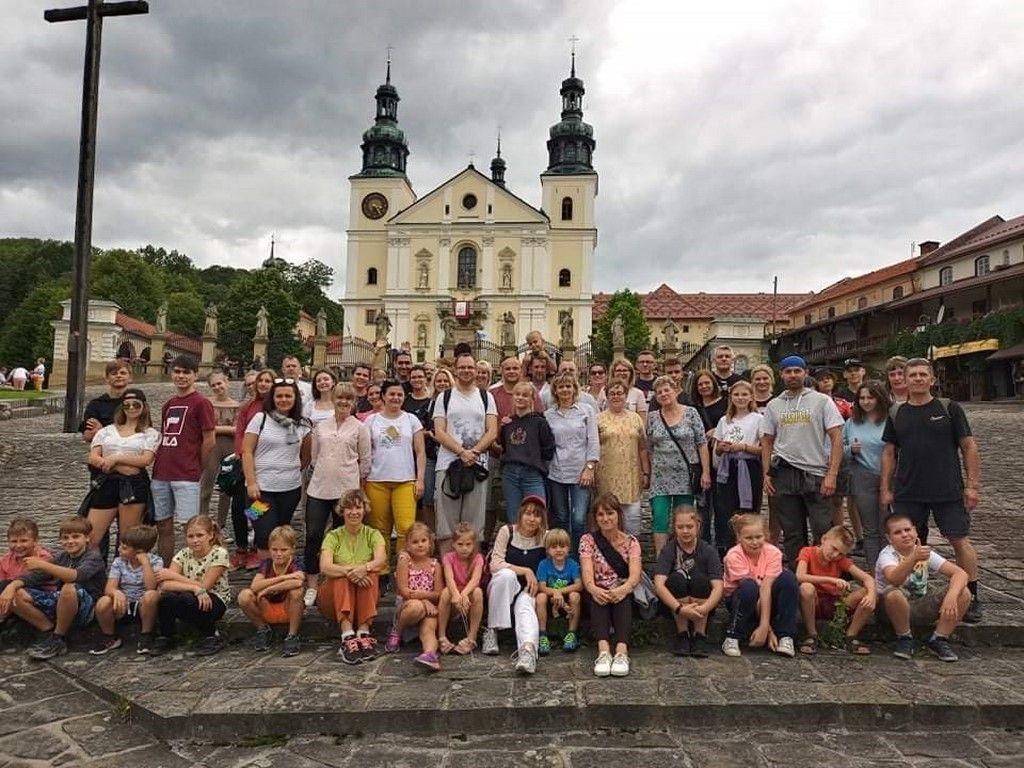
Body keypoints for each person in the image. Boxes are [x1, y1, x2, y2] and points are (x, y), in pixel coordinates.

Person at [880, 358, 983, 623]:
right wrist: (885, 488)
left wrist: (972, 485)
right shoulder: (896, 413)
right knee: (911, 544)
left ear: (932, 379)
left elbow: (968, 446)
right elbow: (889, 452)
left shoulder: (949, 408)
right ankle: (916, 592)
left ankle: (971, 595)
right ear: (904, 379)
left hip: (947, 489)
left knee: (959, 540)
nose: (917, 378)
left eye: (922, 374)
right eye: (912, 374)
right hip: (908, 490)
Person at [761, 355, 844, 568]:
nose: (793, 375)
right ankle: (798, 575)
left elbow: (837, 437)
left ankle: (824, 574)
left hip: (815, 473)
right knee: (792, 531)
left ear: (805, 373)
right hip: (784, 473)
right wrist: (766, 474)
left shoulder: (822, 401)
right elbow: (767, 440)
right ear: (781, 375)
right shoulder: (774, 405)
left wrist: (831, 474)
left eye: (797, 371)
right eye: (788, 372)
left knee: (822, 529)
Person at [306, 383, 371, 606]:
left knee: (340, 536)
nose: (343, 403)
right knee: (314, 534)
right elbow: (315, 457)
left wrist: (355, 486)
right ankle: (312, 584)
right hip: (319, 488)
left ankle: (333, 581)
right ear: (333, 399)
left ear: (353, 402)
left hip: (346, 490)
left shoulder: (360, 428)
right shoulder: (321, 426)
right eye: (340, 398)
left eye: (348, 399)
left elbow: (365, 460)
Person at [876, 512, 970, 662]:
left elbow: (961, 574)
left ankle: (939, 638)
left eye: (907, 530)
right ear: (889, 538)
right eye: (898, 532)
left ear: (915, 531)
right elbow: (894, 579)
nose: (905, 535)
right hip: (891, 609)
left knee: (963, 592)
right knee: (893, 593)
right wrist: (913, 558)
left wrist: (951, 597)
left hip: (920, 604)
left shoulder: (925, 552)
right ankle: (904, 638)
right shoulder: (887, 555)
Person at [151, 354, 217, 566]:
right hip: (162, 472)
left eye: (186, 372)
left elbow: (209, 439)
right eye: (177, 371)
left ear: (195, 375)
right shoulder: (169, 404)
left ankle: (190, 570)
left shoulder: (201, 403)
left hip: (186, 473)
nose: (181, 376)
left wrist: (199, 465)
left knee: (191, 528)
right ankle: (166, 567)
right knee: (163, 525)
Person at [11, 517, 105, 660]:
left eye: (75, 537)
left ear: (87, 538)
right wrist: (11, 587)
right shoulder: (62, 556)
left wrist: (43, 564)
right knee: (16, 593)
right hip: (62, 601)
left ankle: (58, 637)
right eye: (65, 538)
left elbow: (75, 576)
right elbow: (35, 577)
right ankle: (48, 631)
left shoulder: (93, 557)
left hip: (88, 608)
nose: (70, 541)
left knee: (68, 587)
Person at [432, 352, 498, 552]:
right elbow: (439, 431)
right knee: (446, 524)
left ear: (476, 370)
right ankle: (448, 572)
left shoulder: (486, 397)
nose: (467, 371)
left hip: (477, 465)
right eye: (462, 367)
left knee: (474, 524)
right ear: (456, 369)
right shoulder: (445, 397)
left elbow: (492, 430)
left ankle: (472, 575)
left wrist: (474, 452)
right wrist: (461, 452)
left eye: (470, 367)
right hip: (448, 464)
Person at [241, 378, 312, 562]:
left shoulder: (303, 425)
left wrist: (289, 469)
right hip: (260, 490)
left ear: (295, 398)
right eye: (279, 396)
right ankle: (266, 575)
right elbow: (247, 451)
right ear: (272, 398)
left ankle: (281, 574)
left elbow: (306, 457)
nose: (283, 399)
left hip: (290, 490)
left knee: (281, 531)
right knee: (264, 533)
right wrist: (251, 482)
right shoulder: (260, 418)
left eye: (288, 395)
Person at [365, 380, 426, 581]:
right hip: (376, 480)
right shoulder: (372, 421)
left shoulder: (411, 420)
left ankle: (402, 570)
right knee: (379, 529)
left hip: (405, 480)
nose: (395, 398)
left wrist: (420, 479)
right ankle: (381, 572)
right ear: (383, 396)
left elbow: (420, 452)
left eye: (399, 395)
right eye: (391, 394)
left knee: (405, 529)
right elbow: (364, 453)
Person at [85, 389, 159, 556]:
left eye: (136, 404)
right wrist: (114, 464)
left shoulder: (150, 433)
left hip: (133, 485)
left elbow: (145, 460)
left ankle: (122, 576)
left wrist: (116, 458)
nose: (131, 407)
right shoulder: (106, 430)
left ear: (144, 407)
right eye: (127, 404)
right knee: (91, 536)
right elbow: (93, 457)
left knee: (128, 538)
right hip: (107, 482)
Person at [317, 489, 387, 665]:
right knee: (339, 576)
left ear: (364, 509)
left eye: (358, 507)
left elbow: (381, 560)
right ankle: (347, 636)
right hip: (333, 600)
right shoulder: (333, 536)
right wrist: (351, 572)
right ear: (342, 511)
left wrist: (364, 568)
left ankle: (363, 631)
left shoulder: (373, 534)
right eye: (349, 508)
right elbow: (325, 566)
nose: (354, 512)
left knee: (372, 573)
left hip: (362, 597)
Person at [483, 495, 547, 674]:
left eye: (536, 515)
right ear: (520, 515)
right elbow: (495, 564)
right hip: (504, 586)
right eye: (528, 514)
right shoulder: (507, 531)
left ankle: (527, 651)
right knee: (505, 575)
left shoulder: (545, 537)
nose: (532, 519)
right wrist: (526, 570)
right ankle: (492, 630)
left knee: (526, 608)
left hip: (527, 590)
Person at [648, 375, 711, 556]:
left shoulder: (690, 413)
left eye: (666, 390)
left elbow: (701, 443)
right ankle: (662, 558)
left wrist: (705, 472)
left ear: (675, 391)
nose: (663, 394)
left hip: (686, 475)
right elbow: (649, 447)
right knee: (660, 517)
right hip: (661, 477)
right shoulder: (653, 417)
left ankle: (685, 554)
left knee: (684, 518)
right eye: (659, 392)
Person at [580, 493, 642, 677]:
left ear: (618, 515)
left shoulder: (632, 542)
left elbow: (634, 575)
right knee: (599, 599)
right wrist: (593, 588)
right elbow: (587, 573)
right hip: (597, 589)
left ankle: (622, 652)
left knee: (623, 599)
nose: (605, 518)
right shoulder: (587, 540)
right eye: (600, 515)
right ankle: (604, 651)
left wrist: (623, 589)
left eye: (609, 513)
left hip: (622, 588)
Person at [721, 514, 798, 659]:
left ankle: (786, 636)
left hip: (765, 598)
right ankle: (732, 635)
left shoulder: (774, 553)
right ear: (739, 538)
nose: (755, 542)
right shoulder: (734, 555)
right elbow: (752, 591)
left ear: (766, 536)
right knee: (749, 587)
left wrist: (764, 626)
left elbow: (766, 587)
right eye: (748, 538)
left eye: (759, 537)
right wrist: (767, 630)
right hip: (743, 600)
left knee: (788, 578)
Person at [152, 514, 230, 656]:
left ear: (210, 535)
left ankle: (211, 635)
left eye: (200, 535)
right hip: (190, 594)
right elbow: (166, 584)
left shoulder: (219, 553)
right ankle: (166, 636)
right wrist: (194, 588)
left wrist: (175, 577)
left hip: (215, 598)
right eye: (191, 536)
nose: (195, 540)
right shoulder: (183, 554)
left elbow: (205, 586)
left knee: (189, 599)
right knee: (167, 598)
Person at [653, 507, 724, 658]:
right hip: (675, 603)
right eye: (680, 527)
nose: (685, 531)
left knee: (700, 579)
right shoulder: (669, 550)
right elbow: (659, 584)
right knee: (677, 578)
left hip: (703, 603)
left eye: (690, 527)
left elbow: (718, 587)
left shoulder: (708, 551)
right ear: (674, 528)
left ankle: (700, 634)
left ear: (698, 526)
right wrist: (680, 609)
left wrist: (704, 609)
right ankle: (682, 633)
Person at [795, 525, 876, 656]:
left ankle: (851, 635)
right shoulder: (807, 552)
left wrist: (871, 595)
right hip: (813, 601)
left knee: (869, 592)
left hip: (835, 603)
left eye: (841, 554)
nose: (835, 555)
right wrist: (830, 580)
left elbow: (867, 578)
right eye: (834, 549)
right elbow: (799, 576)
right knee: (806, 587)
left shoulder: (841, 560)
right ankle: (811, 634)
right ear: (823, 539)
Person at [544, 372, 600, 553]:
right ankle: (561, 555)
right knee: (560, 517)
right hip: (557, 471)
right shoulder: (549, 415)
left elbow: (593, 440)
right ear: (555, 391)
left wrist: (590, 467)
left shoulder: (586, 410)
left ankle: (579, 557)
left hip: (581, 472)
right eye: (561, 386)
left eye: (568, 386)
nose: (565, 390)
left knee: (578, 518)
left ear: (575, 388)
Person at [90, 524, 162, 655]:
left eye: (124, 547)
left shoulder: (155, 562)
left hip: (143, 605)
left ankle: (146, 634)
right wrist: (116, 592)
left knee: (151, 595)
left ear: (139, 552)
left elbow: (151, 586)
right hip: (123, 604)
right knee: (103, 602)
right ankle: (109, 636)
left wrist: (145, 564)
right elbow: (109, 587)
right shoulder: (119, 562)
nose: (118, 549)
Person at [230, 368, 275, 570]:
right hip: (246, 464)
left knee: (257, 508)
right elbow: (240, 433)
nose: (264, 384)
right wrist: (241, 456)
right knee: (239, 507)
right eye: (261, 381)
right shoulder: (248, 406)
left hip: (267, 465)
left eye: (268, 380)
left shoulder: (277, 405)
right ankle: (241, 547)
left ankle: (257, 546)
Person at [238, 524, 304, 657]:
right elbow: (255, 586)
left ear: (292, 549)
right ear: (269, 549)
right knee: (244, 596)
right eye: (275, 549)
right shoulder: (267, 564)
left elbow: (298, 581)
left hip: (288, 608)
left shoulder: (296, 562)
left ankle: (292, 635)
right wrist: (285, 577)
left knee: (297, 591)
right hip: (267, 608)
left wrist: (269, 588)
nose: (278, 554)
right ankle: (263, 629)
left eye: (283, 550)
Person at [713, 381, 763, 556]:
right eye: (737, 395)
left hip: (749, 468)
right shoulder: (724, 421)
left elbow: (764, 449)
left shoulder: (758, 420)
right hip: (728, 468)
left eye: (744, 394)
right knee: (728, 509)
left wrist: (743, 447)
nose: (740, 398)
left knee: (748, 510)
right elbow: (717, 450)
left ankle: (751, 548)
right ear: (731, 397)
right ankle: (730, 550)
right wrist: (722, 448)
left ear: (751, 397)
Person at [843, 380, 890, 568]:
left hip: (889, 475)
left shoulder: (890, 420)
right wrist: (850, 450)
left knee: (887, 526)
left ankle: (890, 567)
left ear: (879, 398)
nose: (866, 401)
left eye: (870, 397)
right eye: (862, 398)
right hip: (863, 475)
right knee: (870, 528)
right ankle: (873, 568)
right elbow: (839, 449)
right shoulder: (852, 422)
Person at [595, 381, 649, 536]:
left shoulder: (636, 419)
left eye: (620, 393)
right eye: (612, 393)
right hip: (606, 476)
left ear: (626, 396)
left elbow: (643, 447)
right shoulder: (598, 419)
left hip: (630, 477)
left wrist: (646, 472)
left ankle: (632, 554)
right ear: (606, 397)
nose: (616, 396)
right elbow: (592, 448)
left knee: (632, 520)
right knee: (608, 518)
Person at [388, 523, 444, 670]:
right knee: (416, 607)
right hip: (408, 606)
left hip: (430, 607)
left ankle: (430, 655)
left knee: (430, 626)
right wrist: (424, 599)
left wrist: (427, 600)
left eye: (423, 541)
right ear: (407, 545)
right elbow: (404, 591)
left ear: (430, 542)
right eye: (415, 542)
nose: (420, 545)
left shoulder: (435, 565)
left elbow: (438, 594)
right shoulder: (405, 561)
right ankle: (397, 631)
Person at [497, 381, 555, 519]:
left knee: (536, 514)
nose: (520, 398)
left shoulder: (540, 422)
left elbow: (548, 449)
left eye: (525, 395)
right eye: (517, 394)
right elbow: (503, 445)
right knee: (514, 516)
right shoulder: (507, 423)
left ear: (532, 399)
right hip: (510, 473)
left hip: (532, 474)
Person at [200, 371, 240, 537]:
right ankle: (201, 522)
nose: (217, 387)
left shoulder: (236, 405)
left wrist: (213, 428)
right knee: (206, 487)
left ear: (227, 382)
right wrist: (226, 429)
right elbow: (201, 427)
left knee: (226, 489)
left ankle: (221, 525)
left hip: (230, 448)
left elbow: (238, 430)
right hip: (211, 448)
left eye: (220, 383)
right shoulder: (206, 404)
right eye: (213, 385)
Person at [437, 522, 485, 655]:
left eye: (468, 544)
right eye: (460, 544)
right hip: (454, 593)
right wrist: (456, 595)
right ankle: (441, 636)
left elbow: (476, 579)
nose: (464, 548)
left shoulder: (478, 558)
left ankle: (471, 637)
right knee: (446, 592)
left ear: (473, 544)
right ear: (453, 544)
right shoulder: (448, 557)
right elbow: (449, 578)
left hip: (468, 594)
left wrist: (463, 594)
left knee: (478, 592)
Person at [535, 527, 582, 655]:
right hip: (550, 598)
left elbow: (579, 585)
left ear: (568, 548)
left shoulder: (572, 564)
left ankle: (572, 634)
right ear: (548, 549)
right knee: (540, 597)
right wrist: (555, 593)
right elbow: (541, 587)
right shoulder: (543, 564)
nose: (559, 550)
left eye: (562, 546)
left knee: (575, 596)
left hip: (566, 599)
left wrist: (560, 591)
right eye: (554, 547)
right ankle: (542, 635)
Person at [0, 518, 52, 627]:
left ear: (35, 540)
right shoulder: (5, 561)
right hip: (12, 602)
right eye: (14, 541)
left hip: (41, 599)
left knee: (11, 588)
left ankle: (47, 628)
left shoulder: (43, 559)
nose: (18, 546)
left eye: (24, 540)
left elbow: (37, 580)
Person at [420, 368, 454, 531]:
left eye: (445, 381)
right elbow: (422, 427)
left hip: (449, 454)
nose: (442, 384)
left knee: (444, 496)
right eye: (439, 381)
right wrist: (429, 434)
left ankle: (444, 529)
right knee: (427, 497)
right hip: (431, 454)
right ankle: (431, 531)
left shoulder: (455, 402)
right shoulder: (429, 403)